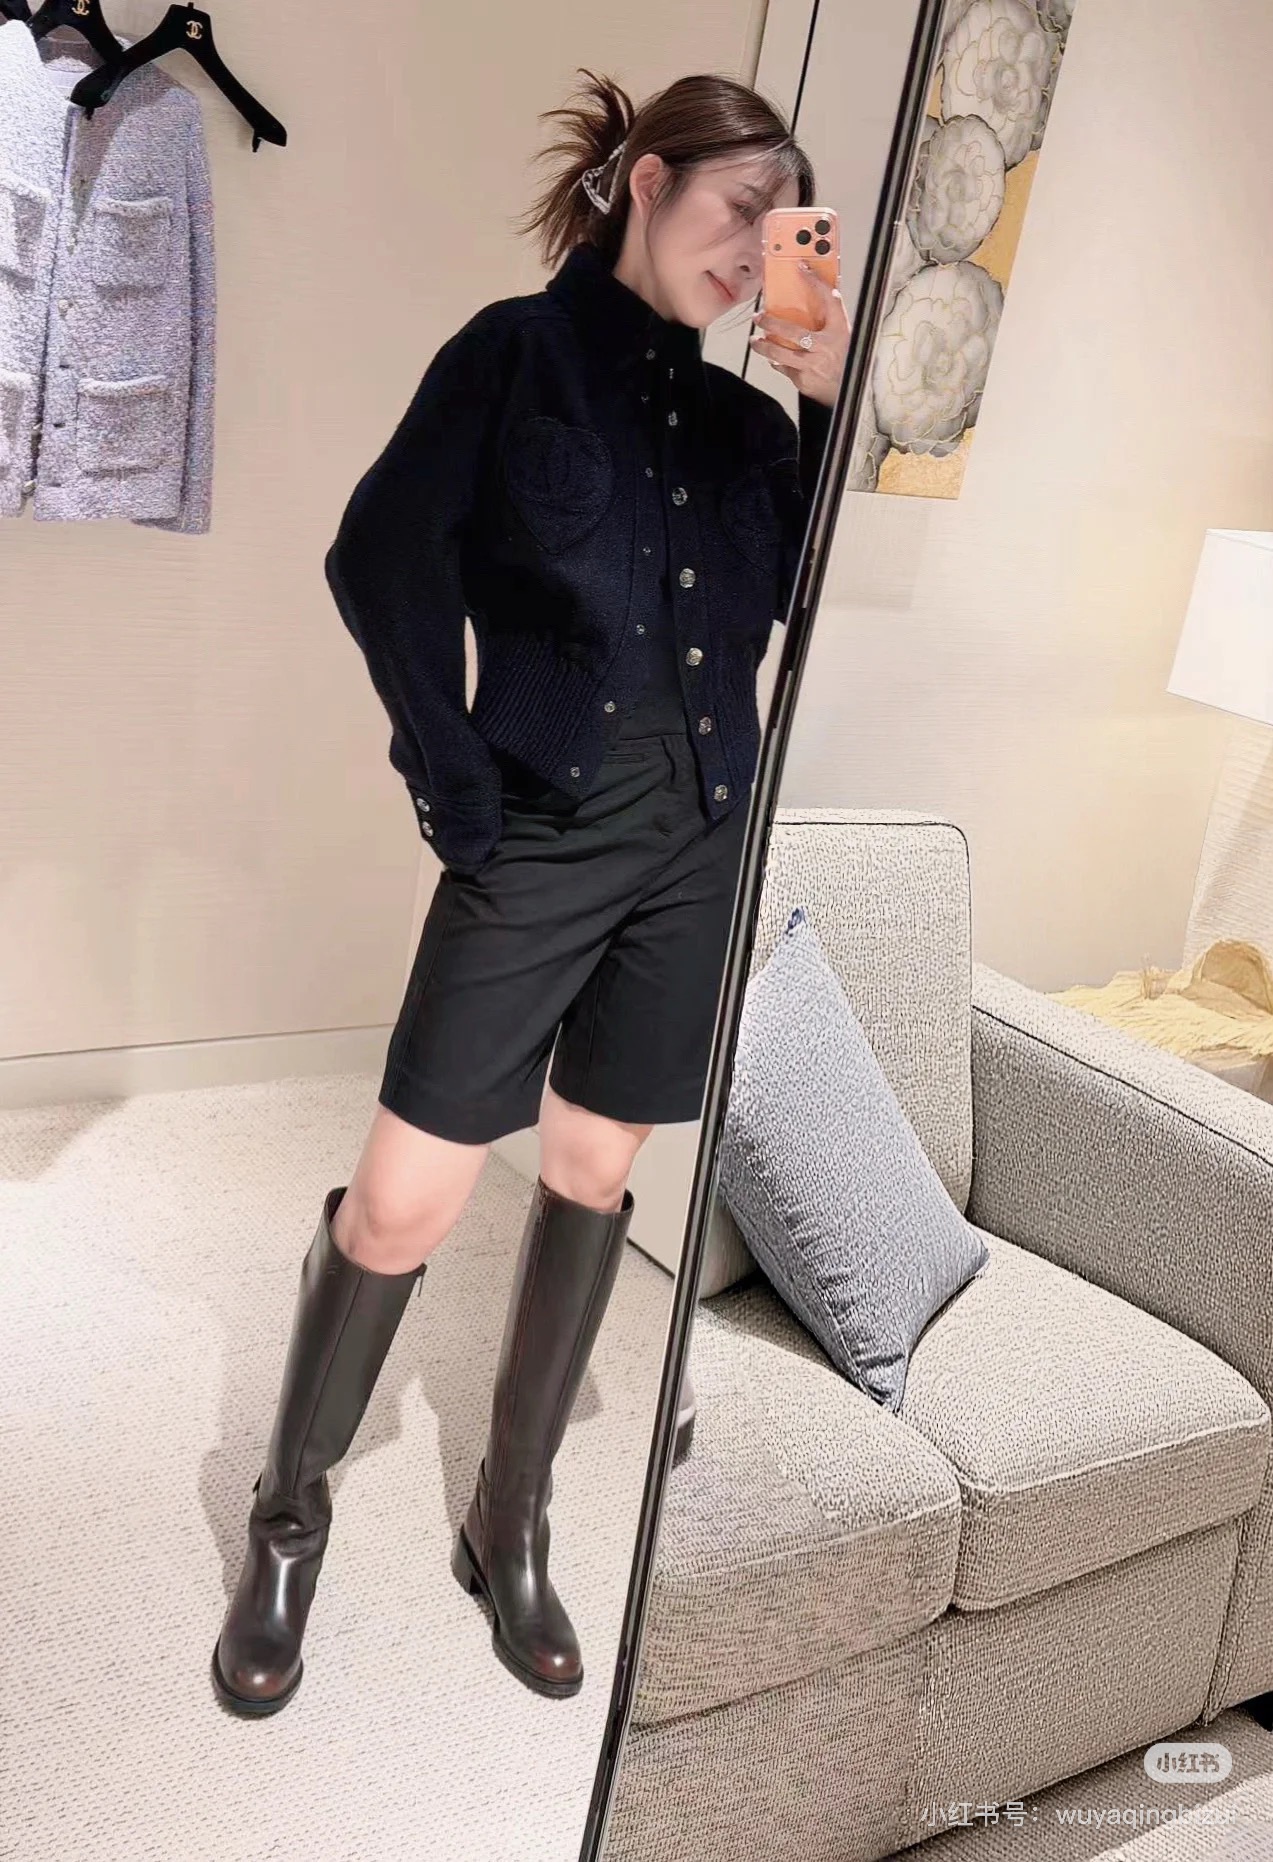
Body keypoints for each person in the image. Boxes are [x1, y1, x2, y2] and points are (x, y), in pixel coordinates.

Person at [211, 66, 848, 1718]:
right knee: (403, 1202)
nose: (752, 251)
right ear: (646, 180)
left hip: (694, 848)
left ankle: (511, 1511)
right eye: (736, 210)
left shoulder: (743, 423)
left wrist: (821, 405)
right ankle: (288, 1517)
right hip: (540, 840)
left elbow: (792, 599)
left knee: (590, 1169)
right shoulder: (513, 355)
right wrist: (453, 773)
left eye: (780, 230)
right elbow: (378, 557)